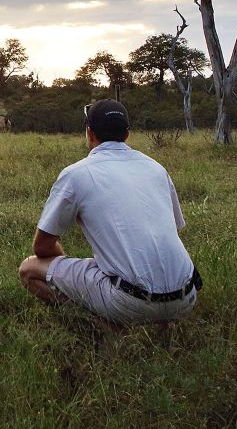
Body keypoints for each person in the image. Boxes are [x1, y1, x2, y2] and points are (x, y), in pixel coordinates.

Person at [18, 98, 200, 331]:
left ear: (89, 133)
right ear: (127, 135)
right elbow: (172, 230)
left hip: (129, 301)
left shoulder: (76, 174)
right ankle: (164, 325)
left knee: (29, 269)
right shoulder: (156, 168)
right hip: (186, 297)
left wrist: (65, 272)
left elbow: (42, 248)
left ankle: (106, 328)